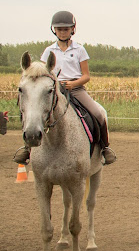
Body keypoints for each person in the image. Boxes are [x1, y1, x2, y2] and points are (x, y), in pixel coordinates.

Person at [13, 11, 117, 165]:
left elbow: (86, 75)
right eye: (59, 29)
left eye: (66, 29)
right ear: (54, 30)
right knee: (34, 112)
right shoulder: (49, 51)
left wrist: (74, 84)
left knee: (98, 113)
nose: (62, 32)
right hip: (53, 90)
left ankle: (104, 148)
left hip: (76, 89)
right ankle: (28, 148)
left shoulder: (79, 50)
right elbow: (42, 74)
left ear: (72, 30)